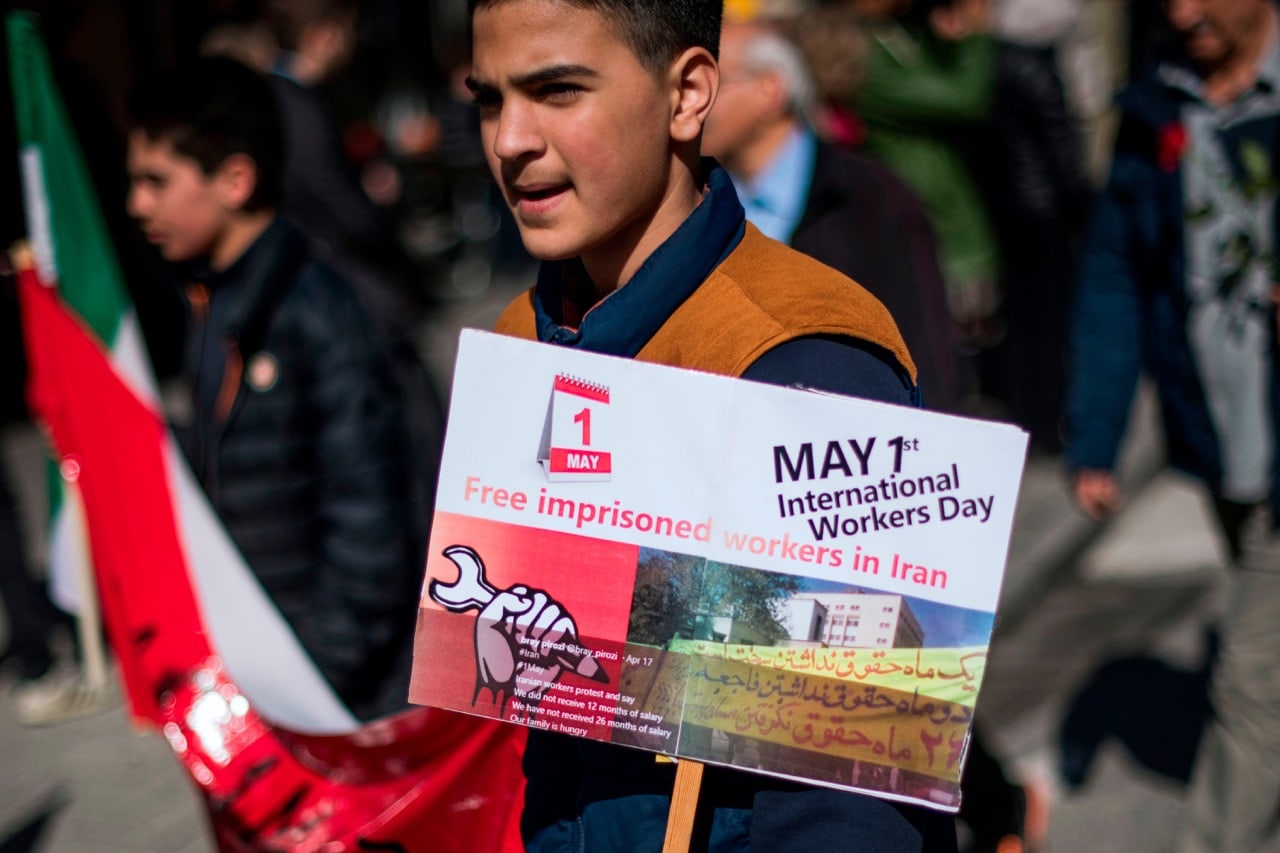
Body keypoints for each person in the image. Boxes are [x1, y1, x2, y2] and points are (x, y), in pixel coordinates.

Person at [471, 0, 956, 848]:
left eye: (557, 91)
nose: (510, 139)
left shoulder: (805, 356)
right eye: (489, 99)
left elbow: (855, 802)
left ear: (690, 94)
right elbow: (544, 720)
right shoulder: (524, 341)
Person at [125, 56, 421, 721]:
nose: (136, 204)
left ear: (233, 179)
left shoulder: (318, 312)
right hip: (273, 675)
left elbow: (370, 531)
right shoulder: (214, 301)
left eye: (155, 181)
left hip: (339, 697)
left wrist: (309, 678)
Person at [1066, 0, 1280, 848]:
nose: (1185, 12)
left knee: (1251, 679)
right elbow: (1117, 273)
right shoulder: (1156, 101)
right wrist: (1097, 434)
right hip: (1224, 436)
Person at [702, 18, 966, 412]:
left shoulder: (874, 198)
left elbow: (925, 346)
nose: (692, 102)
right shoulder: (693, 201)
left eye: (713, 83)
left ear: (770, 89)